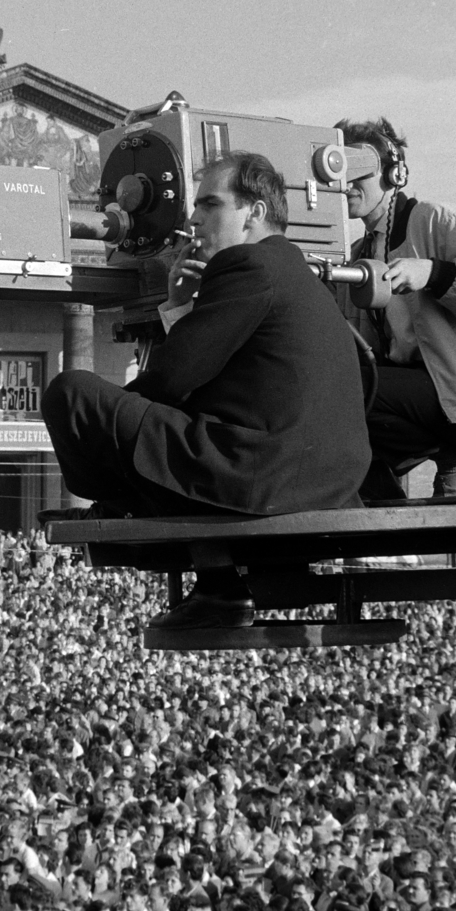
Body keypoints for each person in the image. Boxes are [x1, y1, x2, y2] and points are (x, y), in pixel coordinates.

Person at [41, 151, 370, 628]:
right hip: (319, 475)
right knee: (148, 427)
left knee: (72, 393)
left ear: (254, 213)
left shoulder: (248, 264)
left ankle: (133, 515)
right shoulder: (291, 270)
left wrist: (173, 309)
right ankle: (214, 582)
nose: (194, 218)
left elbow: (172, 381)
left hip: (265, 471)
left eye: (210, 205)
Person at [335, 116, 456, 498]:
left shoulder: (439, 219)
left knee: (346, 386)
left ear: (395, 174)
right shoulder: (359, 256)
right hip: (424, 400)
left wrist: (436, 273)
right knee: (330, 386)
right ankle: (384, 504)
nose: (346, 185)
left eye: (359, 171)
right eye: (338, 172)